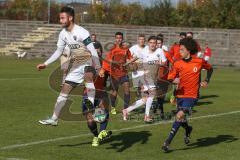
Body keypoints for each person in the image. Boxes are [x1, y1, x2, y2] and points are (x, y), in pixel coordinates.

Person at [36, 6, 101, 129]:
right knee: (64, 91)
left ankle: (91, 106)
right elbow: (58, 51)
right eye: (59, 18)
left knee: (88, 78)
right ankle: (54, 119)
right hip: (77, 64)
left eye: (62, 18)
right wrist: (45, 63)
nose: (60, 20)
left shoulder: (82, 32)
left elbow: (92, 50)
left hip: (90, 61)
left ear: (70, 18)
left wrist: (98, 67)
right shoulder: (62, 34)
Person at [162, 38, 213, 152]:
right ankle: (188, 129)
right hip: (180, 95)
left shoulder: (199, 61)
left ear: (188, 50)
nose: (179, 52)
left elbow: (210, 69)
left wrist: (206, 80)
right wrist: (173, 80)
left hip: (192, 96)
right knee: (181, 118)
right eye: (179, 49)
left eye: (182, 50)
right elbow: (170, 77)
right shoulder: (177, 63)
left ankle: (167, 142)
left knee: (179, 116)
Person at [122, 36, 167, 123]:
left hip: (154, 78)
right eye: (151, 43)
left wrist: (161, 63)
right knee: (153, 92)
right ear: (148, 43)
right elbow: (135, 58)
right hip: (145, 76)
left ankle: (126, 110)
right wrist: (126, 63)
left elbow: (164, 62)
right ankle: (147, 116)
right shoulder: (144, 51)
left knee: (145, 99)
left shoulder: (160, 51)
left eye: (154, 43)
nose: (153, 44)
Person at [99, 32, 132, 115]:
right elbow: (108, 60)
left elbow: (130, 58)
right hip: (114, 74)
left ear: (122, 39)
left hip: (124, 73)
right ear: (115, 39)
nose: (119, 39)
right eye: (117, 38)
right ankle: (113, 107)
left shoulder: (126, 49)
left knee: (127, 90)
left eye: (120, 38)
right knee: (114, 92)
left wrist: (130, 62)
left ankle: (126, 109)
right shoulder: (112, 49)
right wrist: (116, 63)